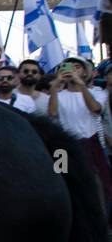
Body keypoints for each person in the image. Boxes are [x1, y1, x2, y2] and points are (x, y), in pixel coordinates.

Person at [46, 57, 112, 209]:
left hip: (90, 142)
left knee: (100, 183)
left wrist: (81, 86)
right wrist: (55, 87)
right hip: (63, 146)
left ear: (85, 72)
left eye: (77, 67)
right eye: (68, 67)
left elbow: (95, 109)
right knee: (61, 179)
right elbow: (52, 113)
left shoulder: (98, 92)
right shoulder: (58, 95)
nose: (72, 70)